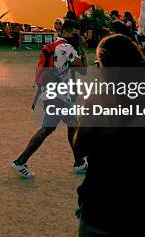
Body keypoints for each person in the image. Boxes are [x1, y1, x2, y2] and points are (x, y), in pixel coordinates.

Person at [74, 34, 145, 236]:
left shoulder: (97, 99)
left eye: (99, 64)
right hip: (142, 192)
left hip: (103, 192)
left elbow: (79, 149)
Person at [11, 19, 87, 178]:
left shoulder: (54, 44)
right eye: (75, 34)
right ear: (67, 31)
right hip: (59, 94)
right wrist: (82, 48)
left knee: (72, 125)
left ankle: (79, 162)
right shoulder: (67, 48)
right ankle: (20, 161)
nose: (76, 37)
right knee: (48, 128)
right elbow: (83, 69)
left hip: (51, 91)